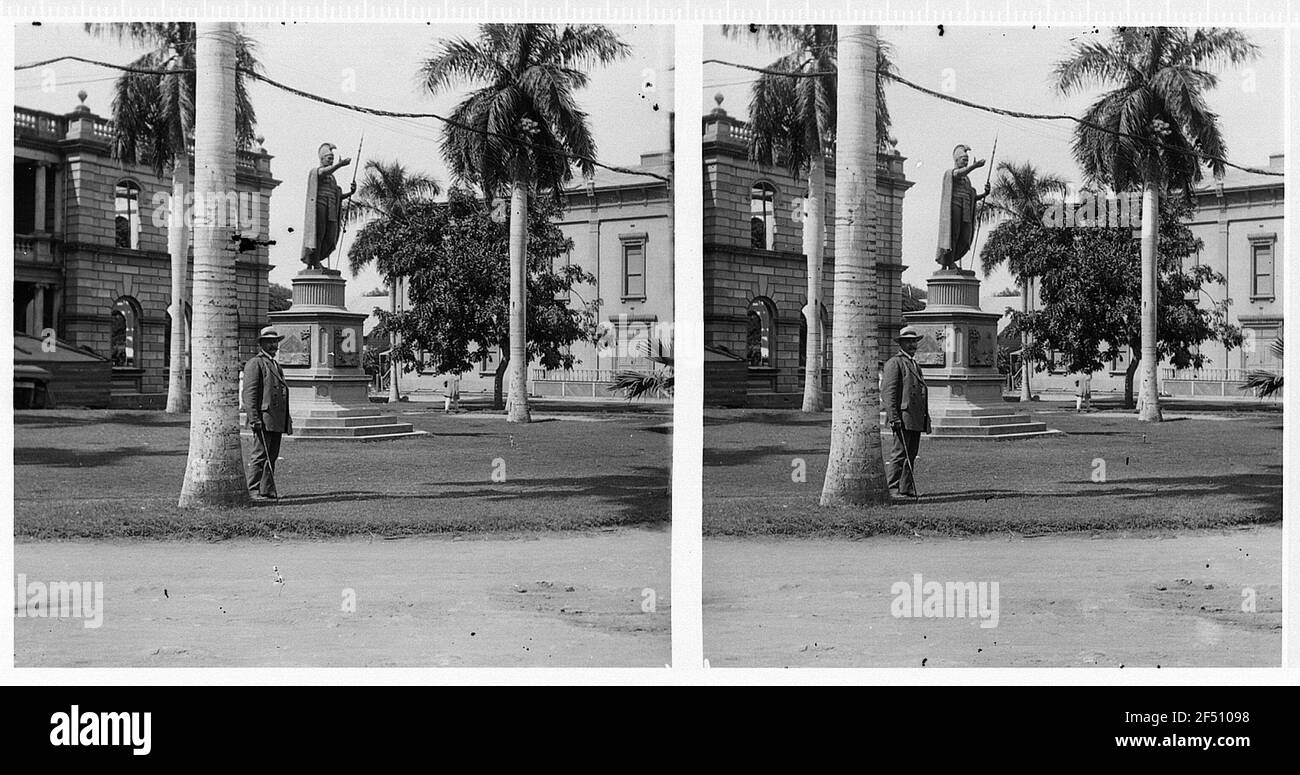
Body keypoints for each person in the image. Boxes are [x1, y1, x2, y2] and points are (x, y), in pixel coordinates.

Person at [881, 326, 931, 498]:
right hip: (902, 417)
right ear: (901, 343)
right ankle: (892, 488)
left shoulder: (913, 363)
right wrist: (894, 418)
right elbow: (888, 393)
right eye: (908, 342)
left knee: (911, 453)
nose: (912, 345)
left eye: (914, 342)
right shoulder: (895, 363)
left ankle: (906, 487)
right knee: (899, 453)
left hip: (915, 417)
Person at [243, 326, 292, 500]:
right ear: (261, 344)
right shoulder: (255, 363)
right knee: (259, 455)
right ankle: (253, 489)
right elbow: (249, 394)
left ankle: (267, 489)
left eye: (275, 342)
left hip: (276, 418)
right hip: (263, 418)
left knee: (272, 455)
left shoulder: (274, 364)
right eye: (269, 342)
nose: (273, 345)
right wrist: (254, 419)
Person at [936, 144, 991, 270]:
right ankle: (948, 262)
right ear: (956, 160)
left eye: (967, 160)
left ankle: (951, 259)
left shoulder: (967, 179)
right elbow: (959, 174)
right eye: (964, 160)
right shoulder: (951, 173)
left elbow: (972, 197)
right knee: (953, 234)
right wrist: (974, 166)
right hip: (955, 206)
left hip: (965, 208)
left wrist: (985, 194)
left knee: (964, 236)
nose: (966, 163)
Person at [301, 142, 356, 270]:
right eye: (329, 158)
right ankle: (314, 262)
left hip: (330, 207)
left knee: (329, 235)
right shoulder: (317, 171)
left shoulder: (332, 178)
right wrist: (340, 165)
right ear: (322, 159)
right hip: (320, 205)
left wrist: (351, 192)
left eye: (333, 159)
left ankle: (316, 260)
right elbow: (324, 172)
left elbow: (337, 196)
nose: (331, 161)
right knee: (318, 234)